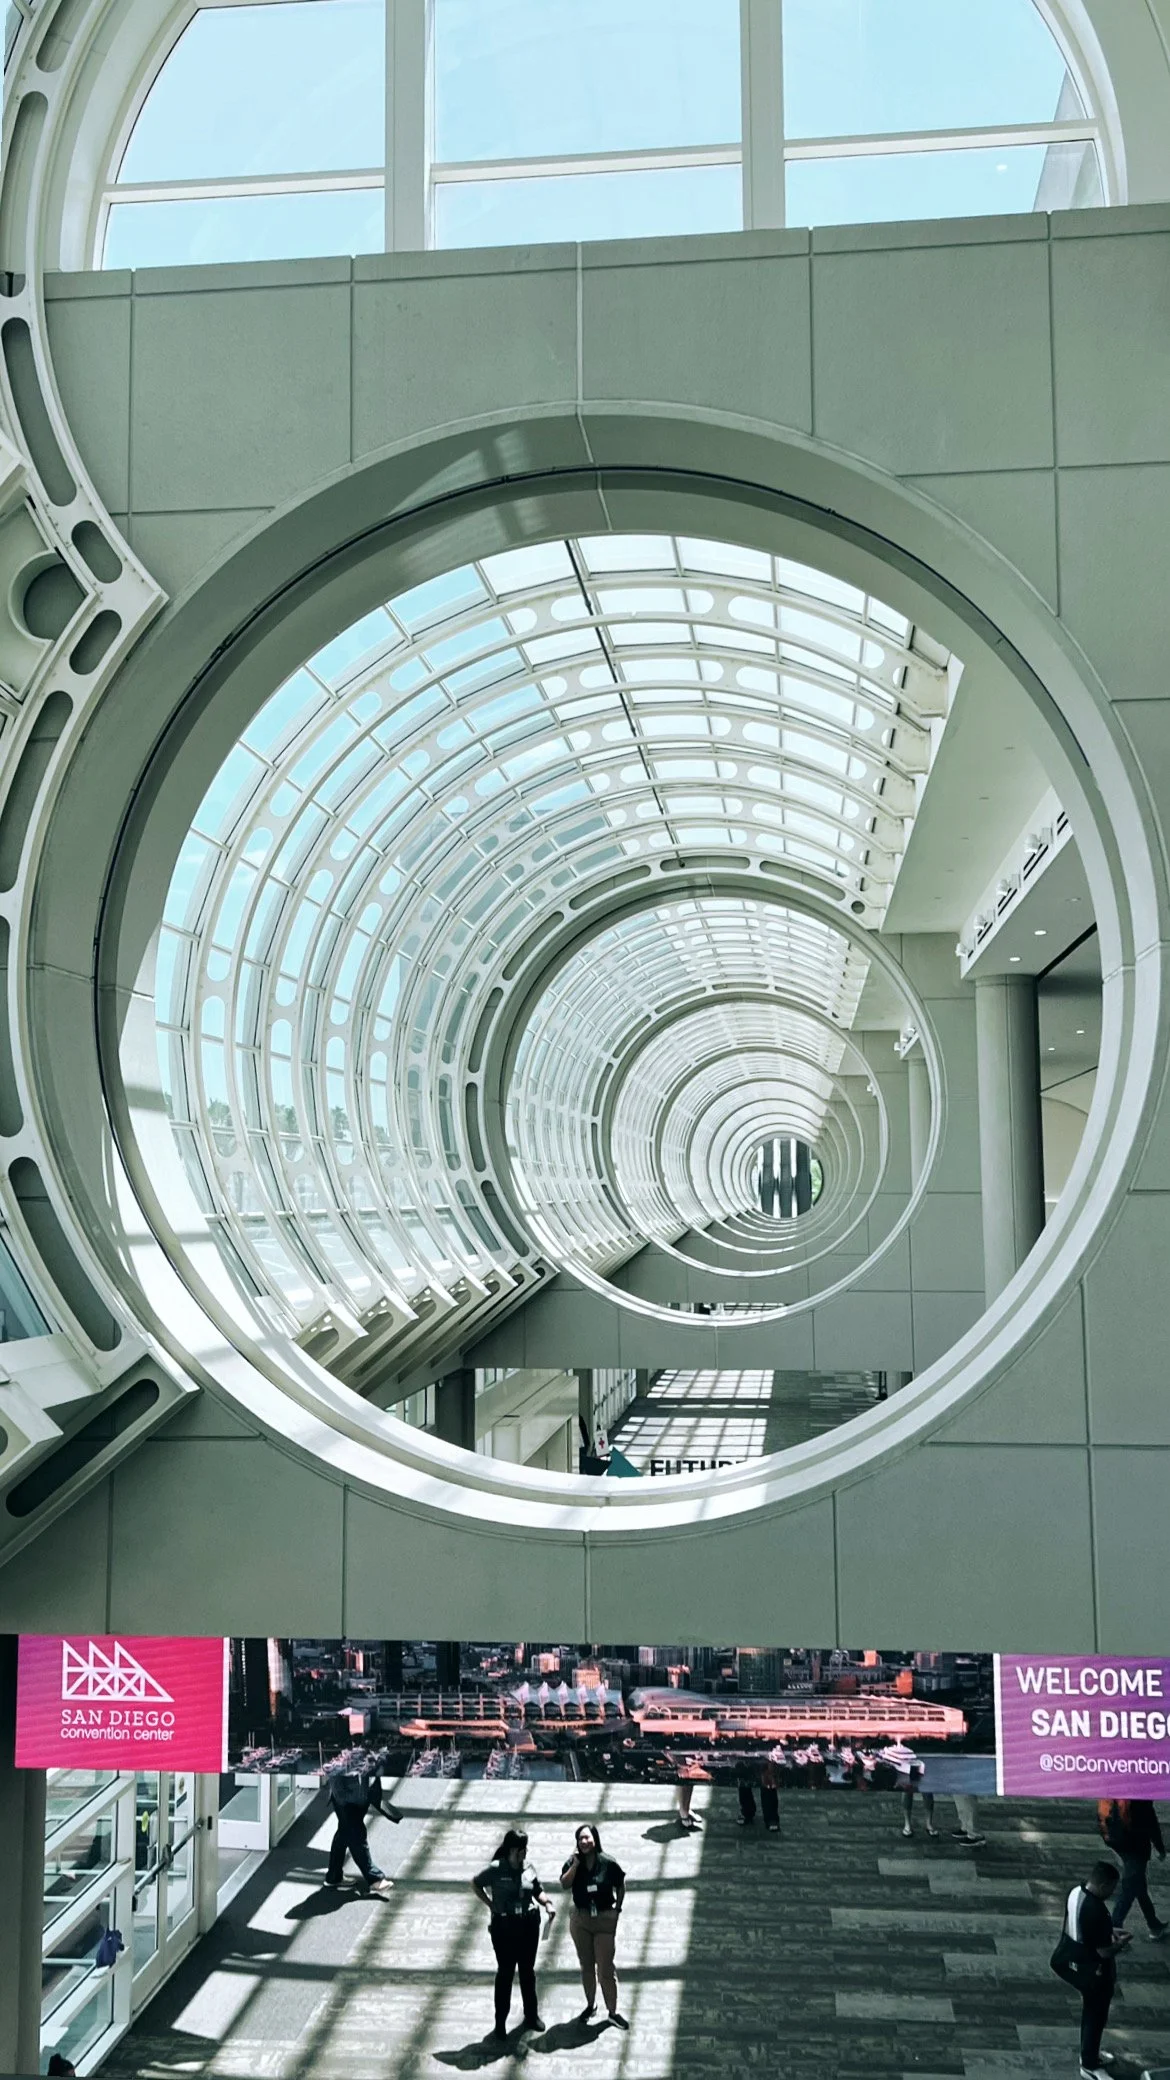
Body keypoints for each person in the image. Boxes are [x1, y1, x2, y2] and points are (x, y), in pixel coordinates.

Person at [472, 1827, 556, 2041]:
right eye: (521, 1850)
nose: (524, 1853)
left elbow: (537, 1888)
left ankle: (531, 2015)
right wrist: (491, 1905)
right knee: (506, 1974)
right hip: (505, 1928)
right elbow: (476, 1883)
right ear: (511, 1850)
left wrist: (546, 1903)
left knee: (528, 1972)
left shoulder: (528, 1867)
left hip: (528, 1925)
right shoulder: (495, 1869)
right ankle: (500, 2023)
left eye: (525, 1849)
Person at [1050, 1860, 1130, 2080]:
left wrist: (1106, 1931)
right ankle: (1089, 2064)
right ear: (1104, 1885)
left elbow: (1078, 1925)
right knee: (1095, 2016)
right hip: (1091, 1971)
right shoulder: (1096, 1910)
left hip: (1068, 1957)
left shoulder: (1075, 1892)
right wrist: (1121, 1943)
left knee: (1090, 2013)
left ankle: (1090, 2054)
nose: (1112, 1893)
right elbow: (1104, 1952)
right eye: (1112, 1888)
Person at [560, 1823, 628, 2027]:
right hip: (581, 1920)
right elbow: (564, 1884)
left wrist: (617, 1909)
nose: (584, 1842)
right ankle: (591, 2005)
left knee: (605, 1968)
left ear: (595, 1839)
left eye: (587, 1837)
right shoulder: (573, 1862)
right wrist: (575, 1865)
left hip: (604, 1919)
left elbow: (621, 1884)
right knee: (586, 1965)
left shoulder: (607, 1862)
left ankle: (613, 2012)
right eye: (580, 1838)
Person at [323, 1752, 402, 1897]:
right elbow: (336, 1783)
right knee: (357, 1835)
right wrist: (346, 1802)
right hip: (345, 1802)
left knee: (344, 1834)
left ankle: (333, 1877)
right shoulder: (339, 1755)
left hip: (361, 1797)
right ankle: (375, 1878)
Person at [1097, 1799, 1169, 1939]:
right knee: (1129, 1889)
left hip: (1117, 1842)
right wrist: (1160, 1848)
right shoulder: (1141, 1796)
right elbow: (1150, 1821)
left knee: (1138, 1884)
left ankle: (1154, 1925)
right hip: (1136, 1846)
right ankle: (1113, 1931)